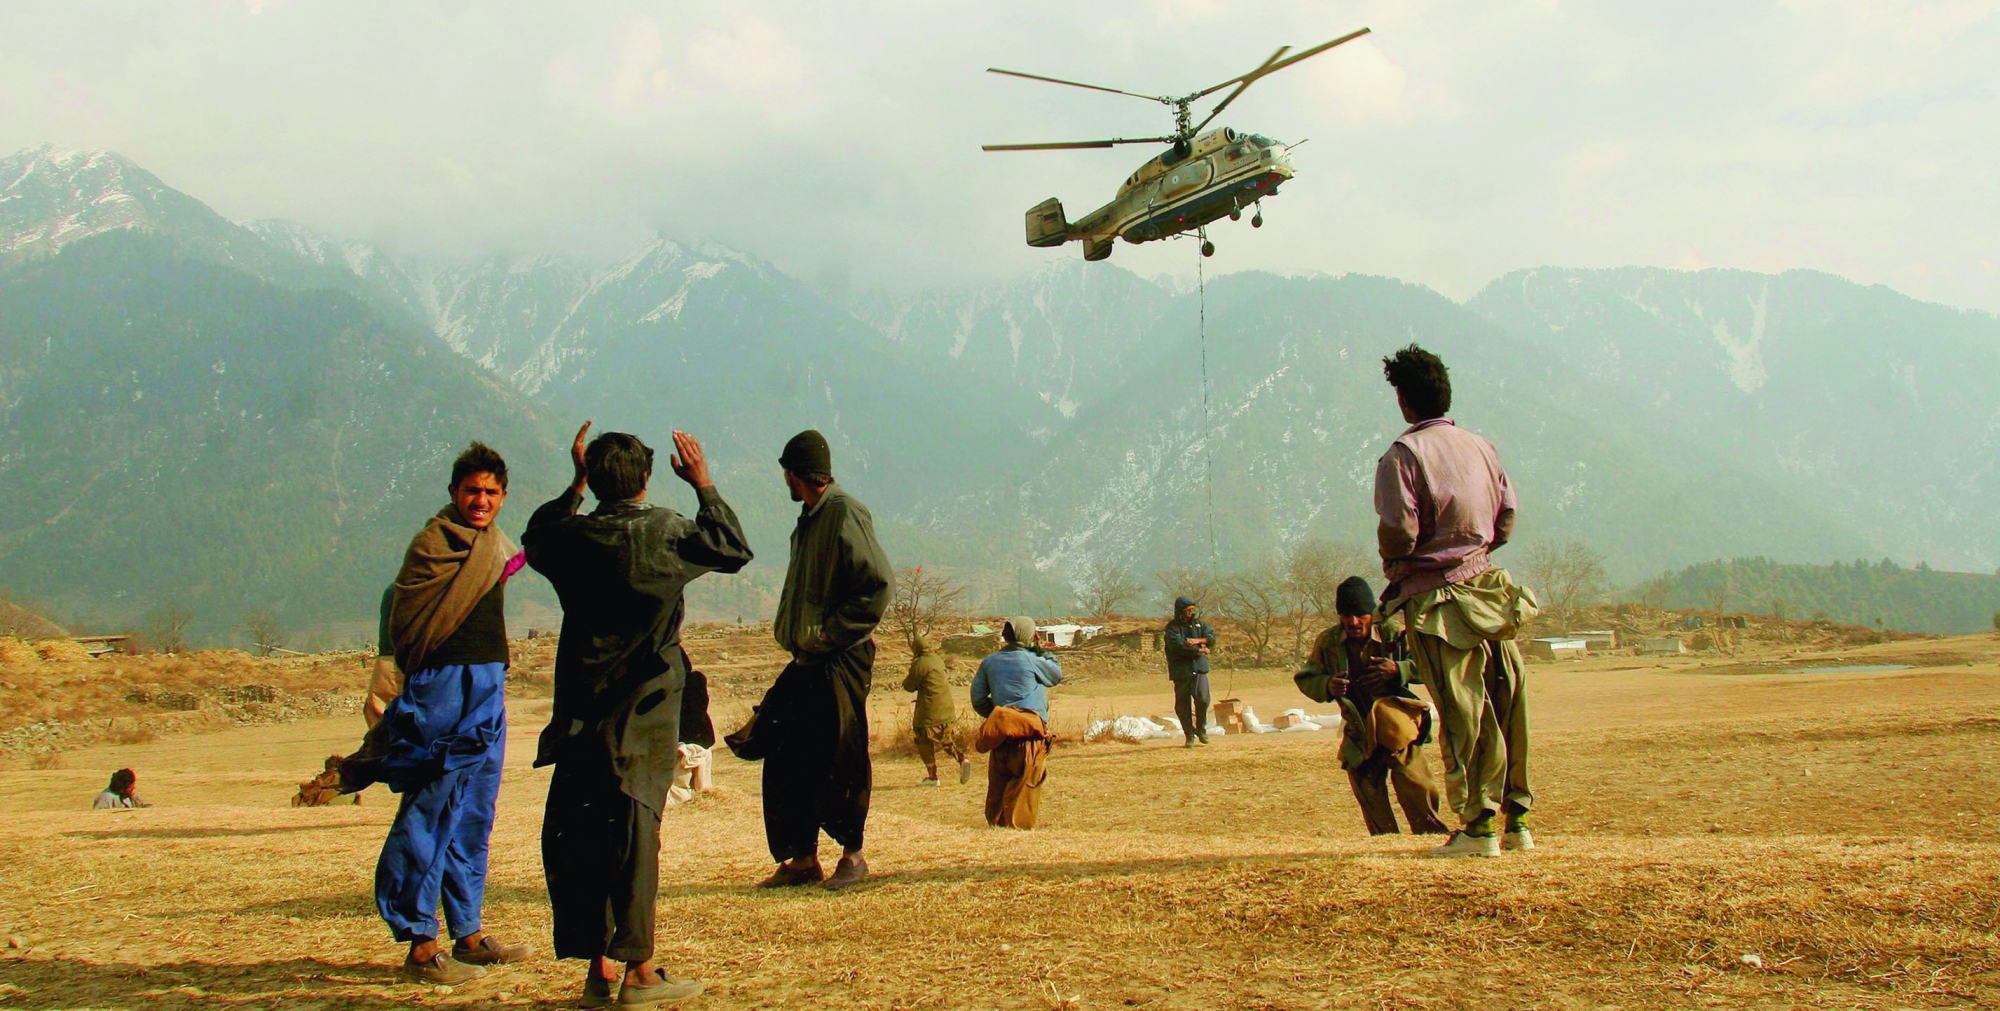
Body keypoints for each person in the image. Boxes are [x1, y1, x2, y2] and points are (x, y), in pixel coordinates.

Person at [524, 423, 753, 1009]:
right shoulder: (667, 534)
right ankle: (640, 970)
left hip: (580, 707)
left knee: (584, 831)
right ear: (648, 477)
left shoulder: (572, 538)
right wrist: (704, 484)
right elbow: (732, 549)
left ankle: (599, 968)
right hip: (644, 709)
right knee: (635, 831)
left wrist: (574, 483)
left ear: (596, 480)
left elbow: (536, 536)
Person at [343, 442, 530, 982]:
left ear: (502, 497)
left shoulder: (496, 547)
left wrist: (577, 487)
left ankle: (467, 933)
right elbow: (405, 619)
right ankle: (421, 943)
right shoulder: (432, 545)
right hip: (441, 687)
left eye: (491, 492)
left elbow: (538, 546)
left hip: (488, 685)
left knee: (474, 810)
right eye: (472, 490)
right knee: (432, 806)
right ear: (454, 492)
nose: (481, 500)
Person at [1373, 345, 1540, 859]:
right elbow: (1506, 518)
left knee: (1464, 711)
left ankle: (1476, 825)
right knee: (1508, 703)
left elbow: (1399, 532)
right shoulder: (1483, 447)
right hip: (1489, 590)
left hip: (1438, 603)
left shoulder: (1403, 456)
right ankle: (1518, 820)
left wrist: (1399, 566)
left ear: (1403, 401)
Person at [760, 430, 893, 891]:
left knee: (841, 755)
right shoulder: (811, 518)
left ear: (794, 474)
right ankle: (801, 859)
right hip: (808, 658)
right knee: (787, 755)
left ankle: (852, 857)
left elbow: (876, 586)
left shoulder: (843, 513)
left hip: (841, 658)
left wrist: (830, 635)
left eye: (786, 472)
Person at [1295, 577, 1449, 837]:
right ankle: (1384, 843)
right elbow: (1306, 678)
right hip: (1358, 731)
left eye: (1360, 615)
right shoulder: (1329, 642)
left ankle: (1430, 838)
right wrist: (1327, 685)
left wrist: (1398, 669)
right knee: (1369, 792)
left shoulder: (1394, 633)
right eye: (1346, 615)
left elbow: (1429, 666)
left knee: (1417, 785)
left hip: (1396, 728)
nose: (1353, 622)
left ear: (1372, 613)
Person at [970, 618, 1062, 829]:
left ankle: (997, 829)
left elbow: (978, 699)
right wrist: (1040, 650)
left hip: (1001, 737)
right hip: (1029, 740)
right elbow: (1056, 675)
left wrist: (1000, 717)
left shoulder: (989, 662)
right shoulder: (1031, 659)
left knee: (998, 791)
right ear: (1029, 635)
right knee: (1023, 793)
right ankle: (1016, 836)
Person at [902, 635, 970, 786]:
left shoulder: (920, 663)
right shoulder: (937, 659)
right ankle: (962, 758)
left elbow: (909, 686)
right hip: (947, 709)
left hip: (929, 710)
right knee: (945, 739)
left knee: (923, 740)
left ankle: (933, 777)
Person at [1163, 596, 1216, 747]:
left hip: (1199, 669)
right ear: (1180, 611)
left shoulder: (1199, 624)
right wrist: (1202, 649)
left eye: (1192, 610)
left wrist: (1198, 641)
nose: (1191, 613)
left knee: (1203, 699)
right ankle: (1189, 735)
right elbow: (1179, 647)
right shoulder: (1172, 628)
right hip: (1181, 671)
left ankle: (1201, 728)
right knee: (1182, 705)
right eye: (1188, 610)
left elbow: (1211, 637)